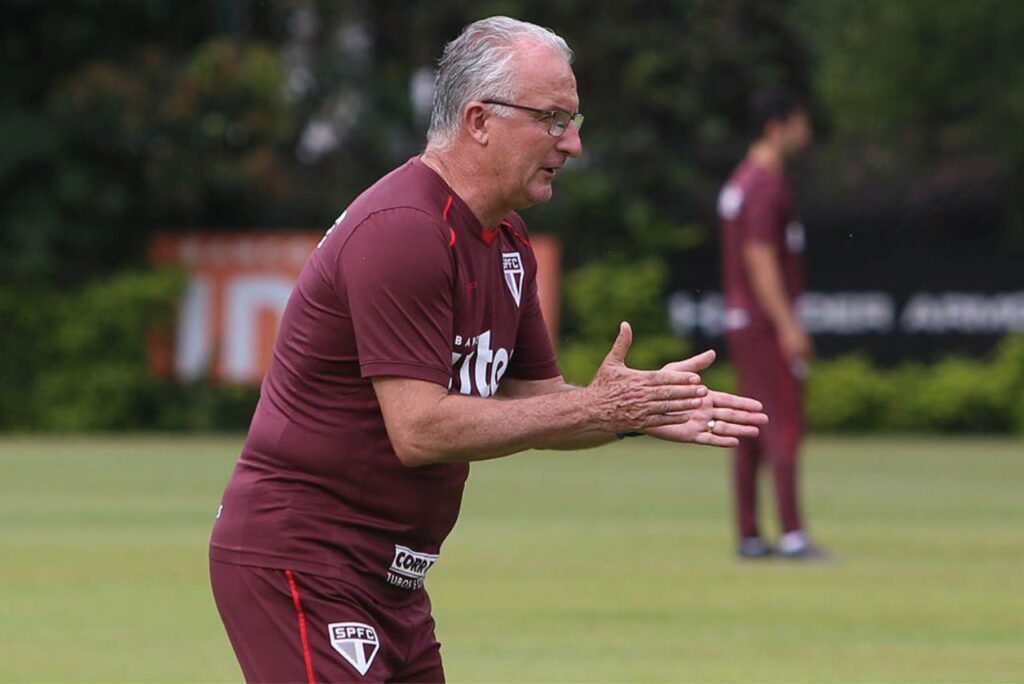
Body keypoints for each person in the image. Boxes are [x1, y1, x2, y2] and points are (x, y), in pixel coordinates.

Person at [210, 16, 768, 682]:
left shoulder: (506, 240)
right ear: (479, 120)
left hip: (391, 580)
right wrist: (600, 410)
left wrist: (634, 412)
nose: (575, 144)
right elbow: (418, 429)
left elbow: (539, 401)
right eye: (554, 119)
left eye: (574, 119)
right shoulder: (404, 231)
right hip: (305, 562)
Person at [716, 89, 825, 560]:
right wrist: (788, 325)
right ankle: (793, 533)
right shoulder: (765, 184)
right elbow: (760, 259)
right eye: (800, 123)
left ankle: (750, 533)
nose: (807, 133)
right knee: (782, 422)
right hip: (763, 320)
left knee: (751, 426)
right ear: (775, 127)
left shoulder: (743, 179)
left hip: (745, 319)